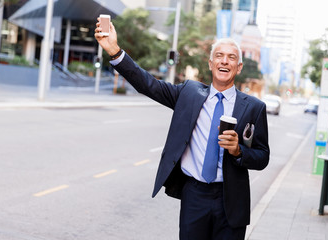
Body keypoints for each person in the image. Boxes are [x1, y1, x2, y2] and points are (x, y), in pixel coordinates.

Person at [95, 19, 269, 240]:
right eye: (219, 56)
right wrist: (115, 51)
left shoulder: (254, 108)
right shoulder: (189, 93)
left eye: (231, 57)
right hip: (194, 195)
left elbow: (263, 157)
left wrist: (238, 151)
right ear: (210, 63)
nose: (224, 61)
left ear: (239, 67)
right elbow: (148, 84)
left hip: (231, 200)